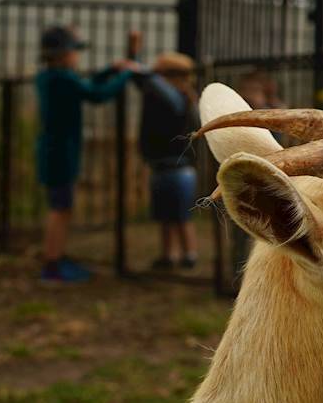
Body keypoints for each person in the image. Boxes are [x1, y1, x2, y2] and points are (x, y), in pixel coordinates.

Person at [34, 24, 137, 285]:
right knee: (60, 209)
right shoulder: (63, 78)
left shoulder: (51, 77)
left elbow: (86, 85)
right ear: (61, 53)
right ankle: (52, 265)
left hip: (54, 152)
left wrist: (112, 69)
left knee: (62, 207)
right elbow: (97, 94)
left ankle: (55, 258)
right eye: (74, 50)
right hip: (60, 155)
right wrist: (125, 75)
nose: (77, 56)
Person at [131, 46, 201, 271]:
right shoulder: (163, 95)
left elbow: (149, 82)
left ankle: (189, 253)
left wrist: (140, 68)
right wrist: (134, 54)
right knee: (165, 215)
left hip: (179, 168)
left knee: (181, 215)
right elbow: (143, 82)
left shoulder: (178, 97)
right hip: (162, 166)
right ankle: (169, 254)